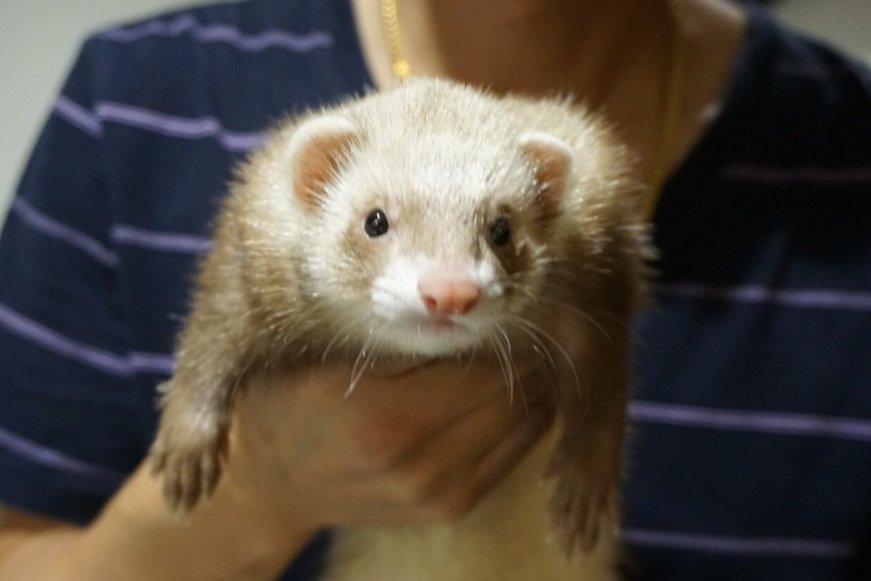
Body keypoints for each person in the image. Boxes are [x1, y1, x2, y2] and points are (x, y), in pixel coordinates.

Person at [0, 0, 868, 579]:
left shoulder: (844, 151)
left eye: (496, 233)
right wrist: (255, 494)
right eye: (378, 226)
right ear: (313, 187)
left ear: (546, 197)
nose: (451, 287)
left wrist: (591, 442)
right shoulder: (135, 104)